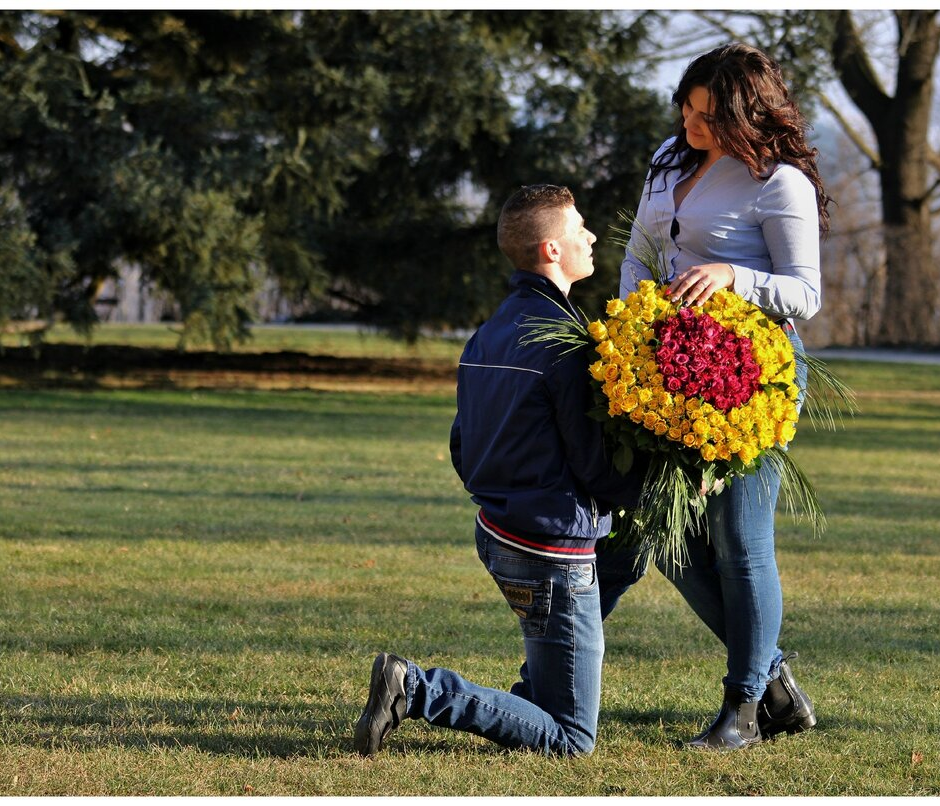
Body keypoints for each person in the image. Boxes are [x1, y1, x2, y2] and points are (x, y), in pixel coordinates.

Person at [353, 184, 643, 757]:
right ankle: (415, 689)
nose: (590, 236)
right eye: (579, 227)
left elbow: (463, 445)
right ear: (550, 251)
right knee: (570, 739)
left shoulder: (489, 331)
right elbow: (593, 467)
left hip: (499, 532)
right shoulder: (566, 344)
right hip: (550, 550)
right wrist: (655, 485)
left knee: (623, 564)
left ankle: (525, 698)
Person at [614, 43, 829, 751]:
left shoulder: (780, 183)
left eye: (707, 114)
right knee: (667, 536)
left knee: (739, 540)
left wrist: (734, 275)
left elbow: (805, 295)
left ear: (746, 113)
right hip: (662, 374)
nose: (690, 121)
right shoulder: (668, 158)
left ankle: (741, 711)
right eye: (685, 105)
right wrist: (625, 339)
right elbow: (638, 251)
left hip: (750, 381)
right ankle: (774, 684)